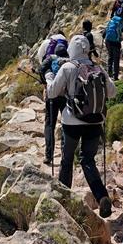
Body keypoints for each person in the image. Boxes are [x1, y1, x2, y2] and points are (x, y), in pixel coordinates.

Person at [46, 35, 117, 218]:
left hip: (72, 122)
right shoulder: (98, 68)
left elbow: (52, 93)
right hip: (95, 122)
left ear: (72, 49)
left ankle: (63, 201)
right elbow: (112, 92)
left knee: (67, 160)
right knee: (87, 160)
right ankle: (102, 197)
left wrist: (49, 77)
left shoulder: (68, 67)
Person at [39, 43, 69, 166]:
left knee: (50, 124)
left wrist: (44, 83)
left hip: (52, 96)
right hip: (66, 96)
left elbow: (41, 69)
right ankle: (65, 153)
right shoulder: (69, 61)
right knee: (65, 123)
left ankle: (48, 155)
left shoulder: (51, 58)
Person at [103, 15, 123, 80]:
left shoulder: (110, 22)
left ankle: (109, 74)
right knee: (116, 60)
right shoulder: (120, 24)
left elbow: (104, 33)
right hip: (116, 43)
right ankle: (115, 77)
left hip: (108, 41)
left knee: (110, 57)